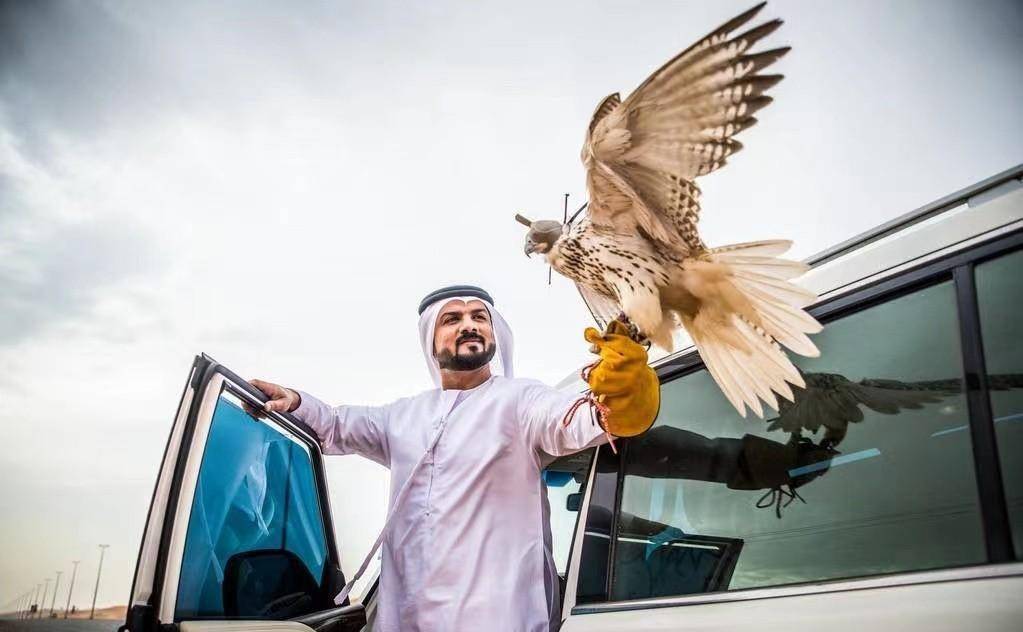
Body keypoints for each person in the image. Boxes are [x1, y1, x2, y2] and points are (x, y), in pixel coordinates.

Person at [249, 285, 657, 632]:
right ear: (431, 340)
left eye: (479, 316)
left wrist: (622, 391)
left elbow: (585, 419)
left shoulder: (521, 403)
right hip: (406, 620)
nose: (469, 324)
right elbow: (336, 426)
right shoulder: (403, 417)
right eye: (453, 319)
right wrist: (296, 402)